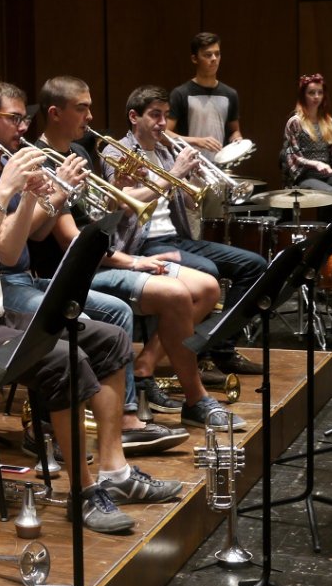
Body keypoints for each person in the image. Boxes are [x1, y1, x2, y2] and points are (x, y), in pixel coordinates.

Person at [0, 57, 183, 535]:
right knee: (60, 359)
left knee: (109, 337)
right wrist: (3, 190)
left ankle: (115, 472)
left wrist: (32, 197)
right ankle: (83, 491)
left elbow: (8, 253)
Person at [0, 82, 189, 455]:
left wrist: (51, 193)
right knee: (58, 320)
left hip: (26, 276)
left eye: (24, 119)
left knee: (115, 313)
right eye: (14, 119)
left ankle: (124, 421)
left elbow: (35, 234)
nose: (23, 128)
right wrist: (55, 191)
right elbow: (7, 248)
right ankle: (53, 423)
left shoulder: (7, 162)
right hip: (0, 285)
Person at [35, 75, 246, 431]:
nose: (90, 117)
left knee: (206, 287)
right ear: (55, 113)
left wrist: (117, 191)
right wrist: (134, 260)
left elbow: (103, 221)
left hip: (103, 257)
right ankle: (189, 400)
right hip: (75, 272)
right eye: (81, 108)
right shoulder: (44, 160)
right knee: (176, 294)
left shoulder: (81, 153)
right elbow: (75, 243)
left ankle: (188, 397)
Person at [99, 85, 268, 375]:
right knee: (207, 273)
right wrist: (174, 175)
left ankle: (221, 347)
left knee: (255, 266)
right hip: (141, 244)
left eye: (165, 115)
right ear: (133, 117)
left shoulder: (166, 151)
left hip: (178, 238)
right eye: (155, 115)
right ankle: (156, 358)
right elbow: (125, 203)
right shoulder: (117, 150)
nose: (162, 123)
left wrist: (194, 176)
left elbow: (191, 201)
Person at [166, 32, 244, 158]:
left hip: (220, 167)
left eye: (217, 54)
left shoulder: (230, 94)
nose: (214, 59)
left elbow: (235, 130)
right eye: (208, 55)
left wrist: (237, 138)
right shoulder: (180, 93)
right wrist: (196, 141)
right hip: (190, 165)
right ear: (194, 59)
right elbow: (164, 134)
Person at [282, 73, 332, 192]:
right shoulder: (295, 122)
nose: (316, 96)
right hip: (305, 176)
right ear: (303, 96)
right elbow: (294, 157)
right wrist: (316, 164)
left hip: (327, 174)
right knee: (331, 194)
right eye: (311, 93)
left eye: (320, 92)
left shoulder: (328, 122)